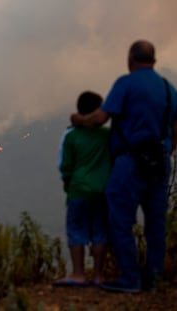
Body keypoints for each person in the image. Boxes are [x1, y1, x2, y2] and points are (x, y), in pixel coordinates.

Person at [71, 39, 177, 293]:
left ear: (130, 59)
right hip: (160, 162)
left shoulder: (125, 84)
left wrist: (78, 119)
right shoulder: (167, 87)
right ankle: (154, 278)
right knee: (156, 222)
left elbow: (100, 118)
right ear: (154, 61)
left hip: (130, 161)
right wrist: (168, 148)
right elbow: (176, 125)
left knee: (119, 217)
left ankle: (130, 278)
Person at [53, 91, 111, 287]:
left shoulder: (71, 135)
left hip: (78, 190)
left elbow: (65, 166)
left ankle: (78, 275)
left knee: (77, 230)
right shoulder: (108, 135)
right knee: (100, 233)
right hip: (103, 190)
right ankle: (98, 276)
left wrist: (69, 185)